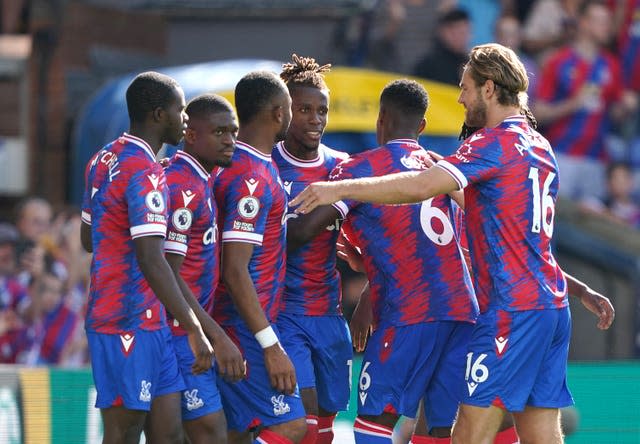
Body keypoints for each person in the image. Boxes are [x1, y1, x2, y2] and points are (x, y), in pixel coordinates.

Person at [290, 43, 615, 443]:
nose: (460, 97)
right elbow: (523, 237)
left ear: (490, 89)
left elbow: (422, 187)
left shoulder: (489, 144)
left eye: (465, 87)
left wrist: (334, 188)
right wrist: (579, 288)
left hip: (510, 312)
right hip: (551, 307)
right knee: (540, 432)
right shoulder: (539, 145)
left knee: (467, 436)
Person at [80, 71, 213, 444]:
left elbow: (88, 237)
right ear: (158, 115)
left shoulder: (102, 159)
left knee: (168, 435)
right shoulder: (147, 172)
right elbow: (152, 259)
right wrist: (194, 328)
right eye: (181, 109)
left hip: (148, 323)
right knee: (123, 434)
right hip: (125, 320)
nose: (185, 118)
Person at [212, 70, 307, 444]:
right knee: (289, 425)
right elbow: (234, 270)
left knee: (237, 432)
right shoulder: (250, 177)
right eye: (291, 108)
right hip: (242, 327)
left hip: (244, 323)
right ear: (277, 112)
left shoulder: (248, 166)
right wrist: (270, 345)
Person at [273, 54, 352, 444]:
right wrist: (339, 199)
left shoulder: (341, 166)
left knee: (323, 430)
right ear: (283, 112)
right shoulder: (265, 165)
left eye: (322, 110)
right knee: (297, 423)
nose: (315, 118)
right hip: (284, 311)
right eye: (303, 109)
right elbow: (294, 236)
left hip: (329, 311)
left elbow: (367, 230)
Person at [159, 93, 246, 443]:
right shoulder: (182, 186)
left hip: (186, 331)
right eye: (220, 132)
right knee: (208, 432)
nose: (230, 141)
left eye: (233, 132)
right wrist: (214, 335)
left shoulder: (201, 180)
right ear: (191, 135)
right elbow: (168, 271)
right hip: (177, 333)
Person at [534, 0, 637, 200]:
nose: (607, 26)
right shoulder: (558, 61)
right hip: (562, 154)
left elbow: (614, 114)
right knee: (553, 220)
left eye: (607, 21)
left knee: (589, 225)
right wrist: (573, 104)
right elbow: (538, 112)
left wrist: (626, 107)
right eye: (600, 21)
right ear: (583, 23)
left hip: (597, 158)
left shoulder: (612, 65)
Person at [413, 8, 471, 86]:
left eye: (462, 32)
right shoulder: (428, 65)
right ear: (442, 31)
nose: (458, 37)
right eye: (453, 32)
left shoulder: (472, 65)